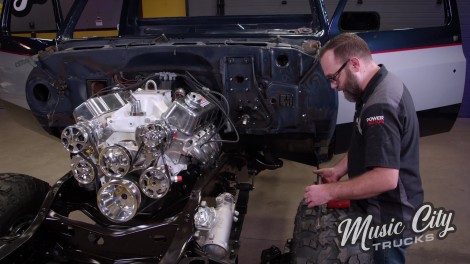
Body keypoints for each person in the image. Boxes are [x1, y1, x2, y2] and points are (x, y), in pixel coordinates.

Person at [303, 33, 424, 264]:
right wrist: (339, 170)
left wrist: (329, 192)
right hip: (383, 207)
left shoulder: (380, 106)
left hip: (390, 219)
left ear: (355, 64)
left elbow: (385, 179)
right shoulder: (375, 86)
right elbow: (367, 142)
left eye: (333, 77)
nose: (333, 86)